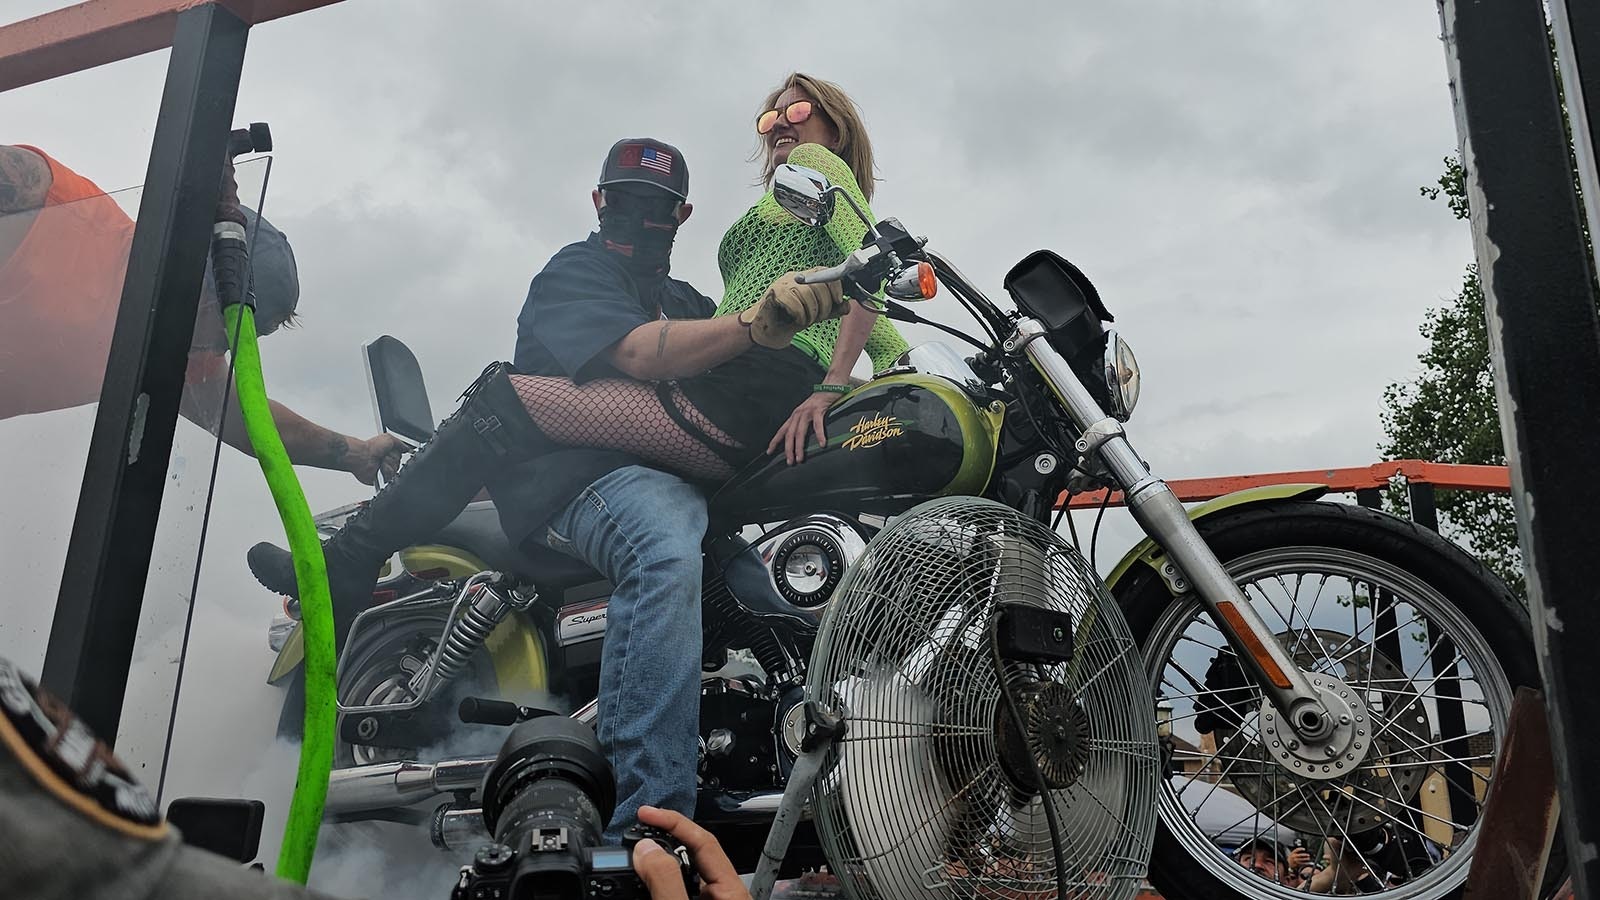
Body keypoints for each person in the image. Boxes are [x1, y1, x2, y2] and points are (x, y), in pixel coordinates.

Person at [248, 72, 909, 833]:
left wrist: (852, 384)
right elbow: (639, 356)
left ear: (683, 215)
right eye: (625, 198)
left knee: (768, 601)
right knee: (660, 543)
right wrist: (760, 327)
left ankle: (804, 780)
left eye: (658, 207)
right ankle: (648, 827)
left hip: (680, 476)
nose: (641, 215)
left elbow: (806, 328)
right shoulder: (575, 273)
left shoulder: (694, 300)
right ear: (599, 202)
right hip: (581, 481)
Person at [0, 144, 404, 483]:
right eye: (226, 327)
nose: (222, 347)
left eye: (243, 337)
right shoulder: (52, 204)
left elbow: (252, 423)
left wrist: (356, 454)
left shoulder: (176, 353)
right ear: (197, 279)